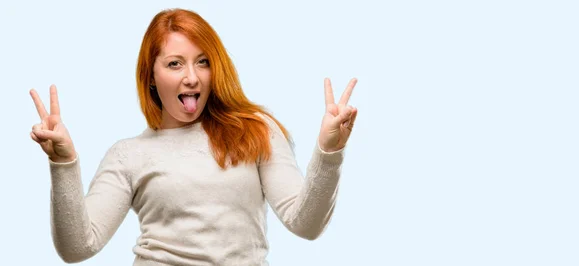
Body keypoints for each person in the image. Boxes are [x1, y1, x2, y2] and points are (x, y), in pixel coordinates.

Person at [29, 8, 358, 266]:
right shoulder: (128, 154)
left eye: (203, 62)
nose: (191, 77)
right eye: (175, 64)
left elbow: (306, 225)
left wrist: (329, 151)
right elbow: (78, 247)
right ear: (152, 77)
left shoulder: (255, 131)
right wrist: (63, 162)